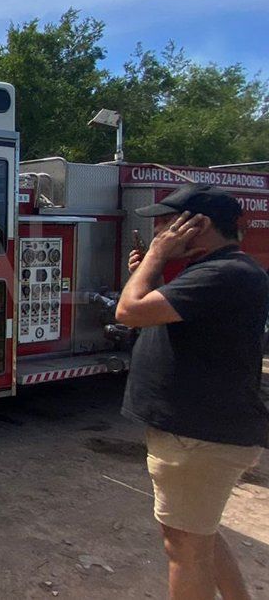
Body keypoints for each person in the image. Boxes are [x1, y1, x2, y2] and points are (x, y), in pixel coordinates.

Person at [117, 183, 269, 600]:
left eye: (167, 223)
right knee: (201, 538)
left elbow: (130, 311)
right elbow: (155, 309)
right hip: (196, 435)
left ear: (197, 224)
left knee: (184, 549)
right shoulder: (217, 271)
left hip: (197, 438)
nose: (159, 233)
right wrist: (149, 269)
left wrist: (154, 258)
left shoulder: (226, 273)